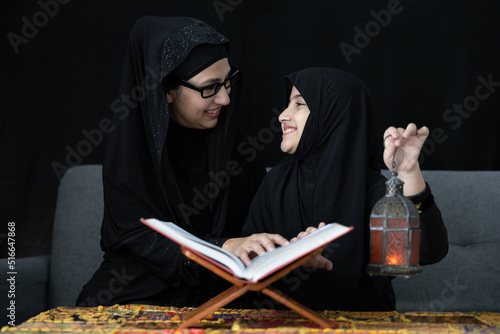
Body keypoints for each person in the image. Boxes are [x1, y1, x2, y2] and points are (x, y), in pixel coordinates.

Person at [76, 16, 274, 307]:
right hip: (136, 298)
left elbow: (262, 219)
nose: (225, 100)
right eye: (210, 88)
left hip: (222, 302)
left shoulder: (235, 147)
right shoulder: (132, 154)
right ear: (166, 90)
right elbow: (140, 239)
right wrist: (221, 248)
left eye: (228, 82)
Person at [223, 67, 449, 311]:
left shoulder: (375, 189)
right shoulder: (275, 182)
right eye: (288, 104)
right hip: (282, 321)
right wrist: (288, 255)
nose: (282, 116)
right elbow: (249, 261)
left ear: (333, 114)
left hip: (366, 324)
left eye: (299, 105)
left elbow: (427, 252)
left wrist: (408, 172)